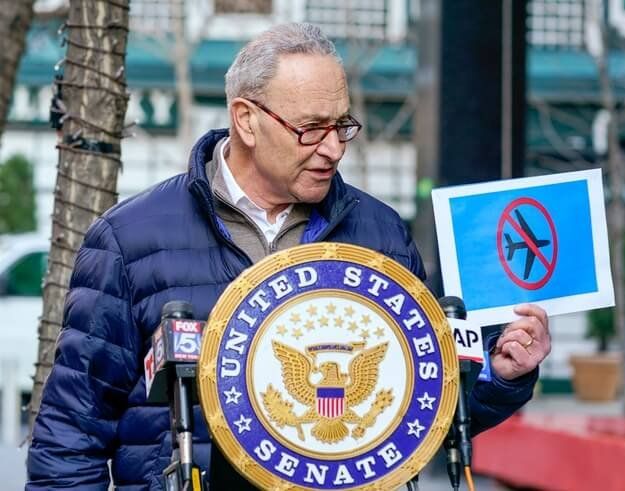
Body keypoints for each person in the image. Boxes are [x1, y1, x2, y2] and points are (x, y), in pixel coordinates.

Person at [27, 23, 551, 490]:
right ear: (247, 121)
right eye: (311, 128)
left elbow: (423, 417)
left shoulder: (381, 236)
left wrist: (499, 378)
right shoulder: (129, 239)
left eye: (342, 125)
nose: (333, 148)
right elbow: (71, 434)